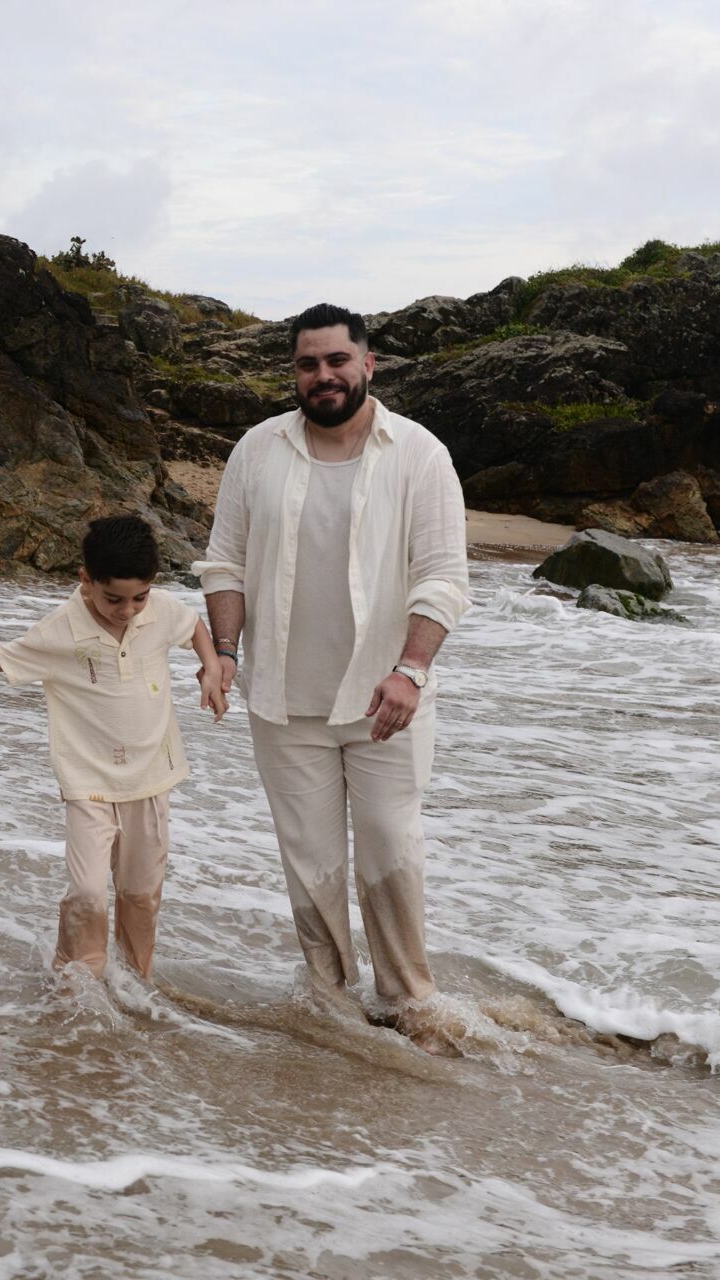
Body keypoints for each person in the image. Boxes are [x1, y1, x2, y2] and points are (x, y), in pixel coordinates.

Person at [193, 302, 470, 1039]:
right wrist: (224, 654)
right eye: (308, 364)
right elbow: (225, 564)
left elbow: (443, 576)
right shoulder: (256, 450)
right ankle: (330, 1009)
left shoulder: (418, 454)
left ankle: (411, 1004)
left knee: (389, 848)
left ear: (367, 363)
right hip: (284, 702)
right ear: (295, 372)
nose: (324, 375)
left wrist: (411, 669)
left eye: (337, 360)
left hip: (387, 703)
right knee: (311, 866)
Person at [0, 516, 228, 981]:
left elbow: (193, 624)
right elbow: (0, 657)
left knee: (140, 893)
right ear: (86, 580)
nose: (127, 609)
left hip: (152, 776)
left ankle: (137, 984)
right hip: (88, 783)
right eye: (113, 598)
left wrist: (213, 665)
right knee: (87, 893)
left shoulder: (158, 609)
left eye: (138, 596)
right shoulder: (63, 629)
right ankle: (76, 985)